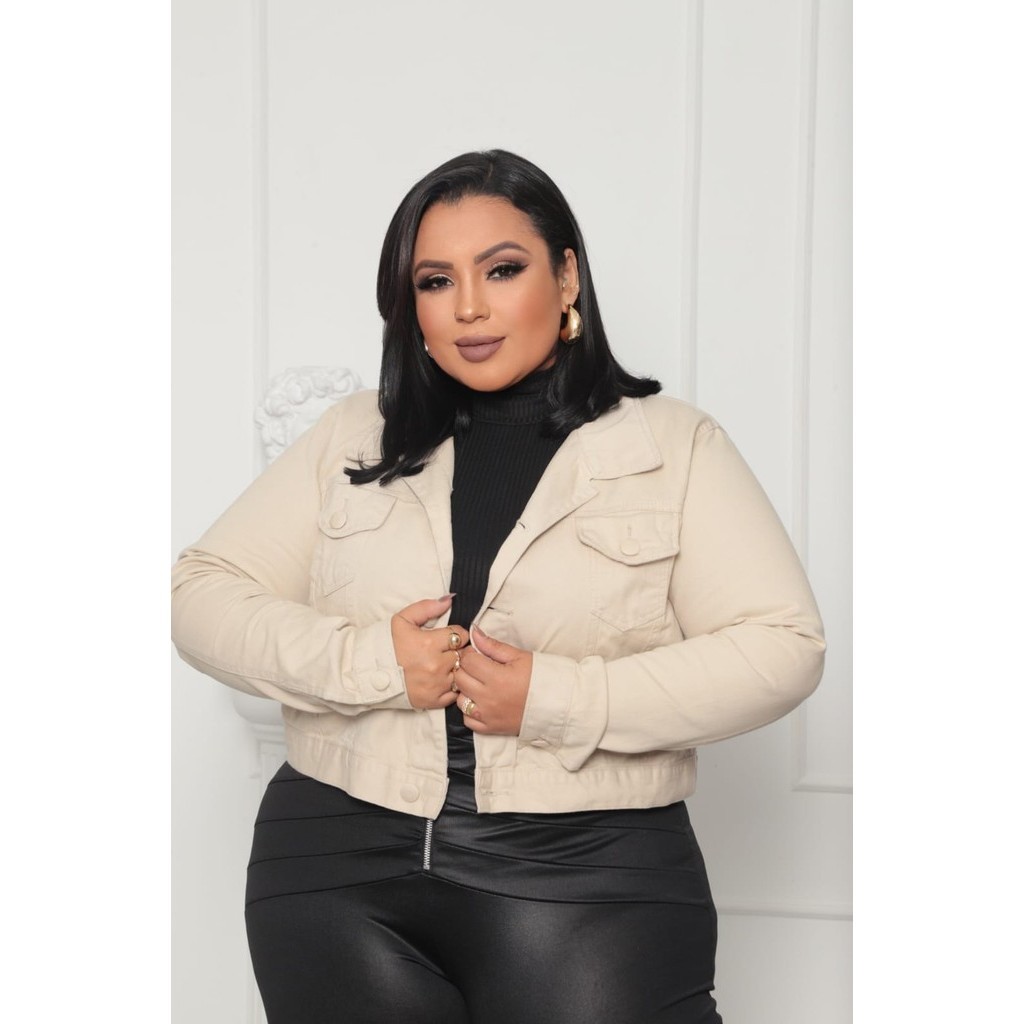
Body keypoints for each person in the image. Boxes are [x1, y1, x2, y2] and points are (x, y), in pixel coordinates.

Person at [171, 149, 825, 1024]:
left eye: (503, 270)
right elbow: (202, 592)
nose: (469, 307)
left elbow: (783, 646)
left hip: (588, 870)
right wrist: (375, 664)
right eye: (436, 281)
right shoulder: (355, 435)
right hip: (334, 862)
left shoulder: (674, 446)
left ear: (566, 278)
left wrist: (557, 698)